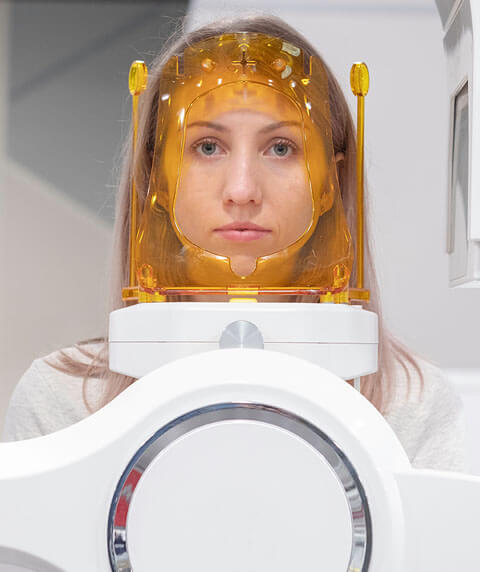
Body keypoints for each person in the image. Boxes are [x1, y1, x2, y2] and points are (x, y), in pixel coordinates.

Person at [1, 14, 467, 473]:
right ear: (156, 178)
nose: (242, 190)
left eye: (281, 147)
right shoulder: (60, 404)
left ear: (331, 182)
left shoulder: (412, 406)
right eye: (207, 147)